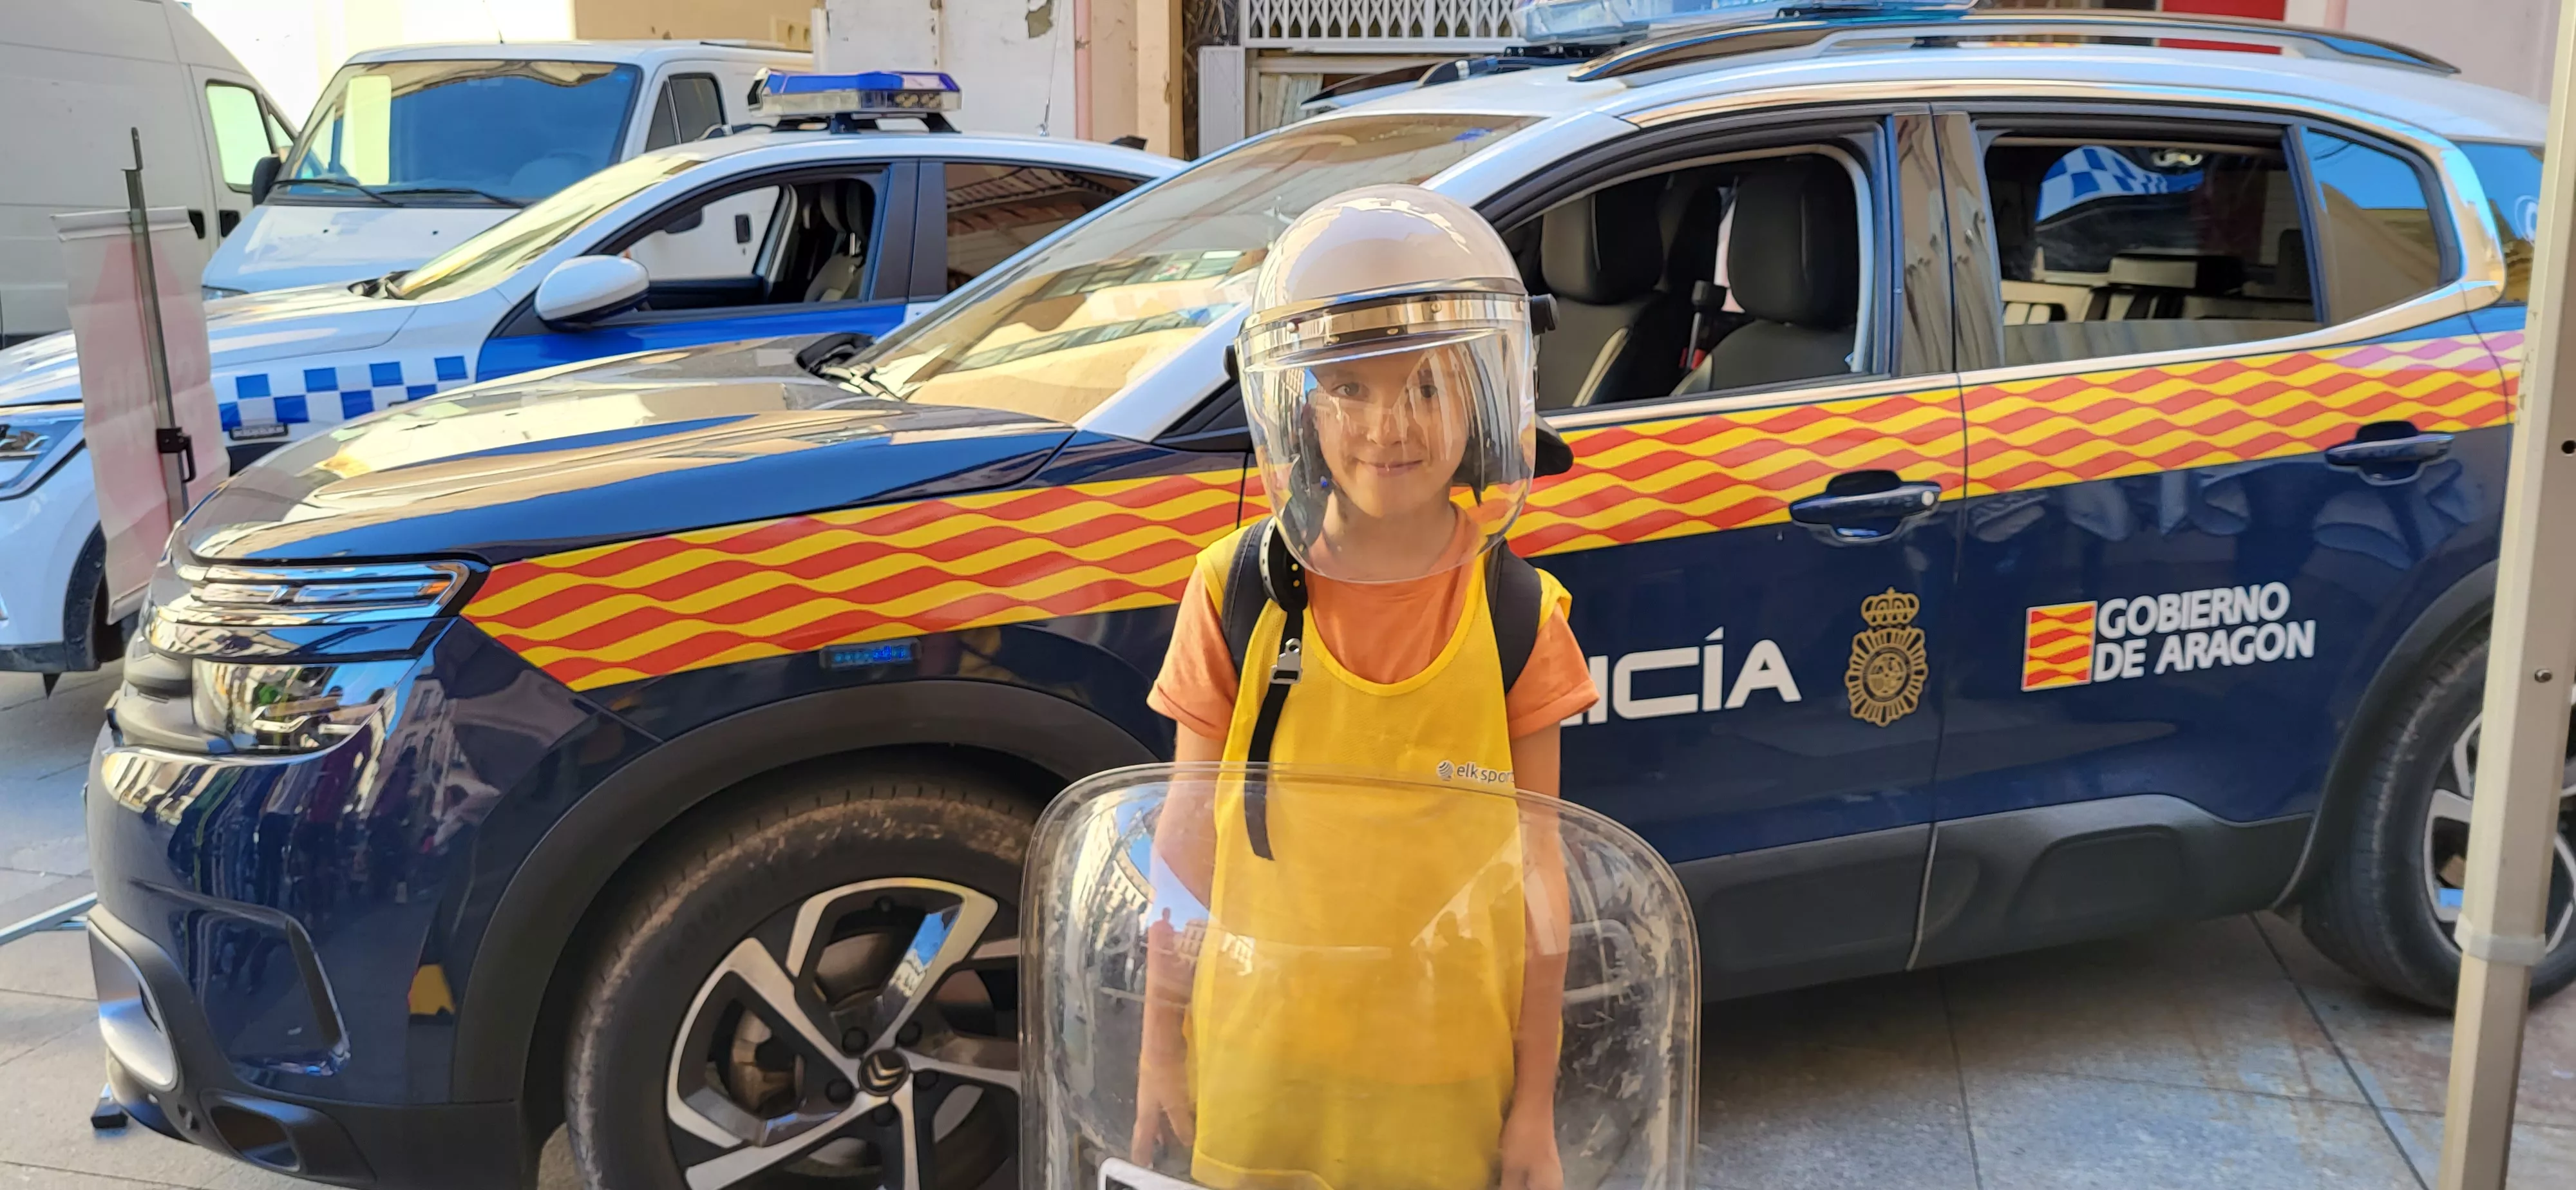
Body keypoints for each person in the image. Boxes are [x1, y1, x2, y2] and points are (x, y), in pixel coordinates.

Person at [1134, 184, 1600, 1190]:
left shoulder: (1520, 615)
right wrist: (1159, 1049)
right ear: (1299, 404)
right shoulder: (1237, 592)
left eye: (1429, 387)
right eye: (1350, 388)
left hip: (1442, 1081)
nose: (1390, 426)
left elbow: (1539, 881)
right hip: (1260, 1068)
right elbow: (1185, 839)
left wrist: (1534, 1108)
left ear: (1485, 405)